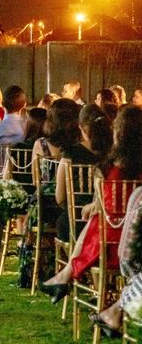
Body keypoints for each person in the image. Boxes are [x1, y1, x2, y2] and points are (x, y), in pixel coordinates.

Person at [41, 106, 142, 304]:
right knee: (95, 220)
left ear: (119, 133)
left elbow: (101, 205)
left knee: (94, 220)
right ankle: (65, 278)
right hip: (136, 238)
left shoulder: (110, 167)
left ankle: (68, 278)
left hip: (112, 244)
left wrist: (88, 208)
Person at [88, 185, 142, 337]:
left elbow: (126, 255)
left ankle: (113, 312)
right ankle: (113, 312)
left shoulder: (139, 196)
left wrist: (132, 276)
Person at [54, 104, 112, 241]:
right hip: (109, 221)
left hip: (76, 220)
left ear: (82, 128)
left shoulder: (71, 153)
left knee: (61, 221)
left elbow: (60, 197)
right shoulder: (114, 154)